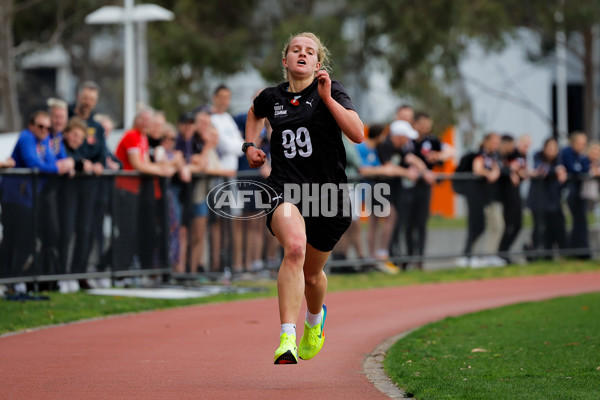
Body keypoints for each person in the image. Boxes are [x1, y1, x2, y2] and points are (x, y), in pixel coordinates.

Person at [244, 32, 364, 364]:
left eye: (309, 51)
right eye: (296, 50)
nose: (302, 54)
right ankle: (287, 336)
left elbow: (357, 133)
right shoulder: (271, 97)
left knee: (312, 275)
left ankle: (314, 321)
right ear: (285, 60)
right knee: (294, 248)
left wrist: (327, 98)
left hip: (328, 195)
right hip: (287, 190)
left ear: (317, 62)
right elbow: (253, 113)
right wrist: (250, 146)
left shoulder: (331, 89)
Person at [0, 111, 73, 278]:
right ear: (31, 125)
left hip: (29, 198)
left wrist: (59, 164)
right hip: (15, 197)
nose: (44, 130)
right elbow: (33, 163)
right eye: (40, 126)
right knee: (17, 241)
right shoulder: (26, 137)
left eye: (48, 128)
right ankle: (9, 278)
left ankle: (10, 278)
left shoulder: (44, 140)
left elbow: (49, 161)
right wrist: (56, 168)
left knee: (22, 241)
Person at [114, 109, 176, 270]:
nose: (148, 124)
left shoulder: (141, 137)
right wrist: (162, 171)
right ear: (138, 120)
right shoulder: (132, 135)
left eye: (150, 120)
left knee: (133, 232)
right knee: (127, 232)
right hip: (124, 188)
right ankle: (115, 270)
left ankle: (123, 270)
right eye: (145, 120)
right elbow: (138, 164)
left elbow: (147, 163)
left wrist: (162, 168)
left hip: (134, 190)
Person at [377, 119, 424, 266]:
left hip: (392, 189)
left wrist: (419, 166)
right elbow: (389, 168)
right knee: (382, 219)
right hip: (378, 188)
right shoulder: (386, 145)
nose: (408, 140)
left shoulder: (401, 148)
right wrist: (406, 172)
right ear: (399, 136)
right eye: (406, 136)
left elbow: (411, 160)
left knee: (393, 218)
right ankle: (379, 255)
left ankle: (385, 254)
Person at [458, 132, 501, 267]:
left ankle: (484, 255)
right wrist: (488, 173)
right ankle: (468, 255)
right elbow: (478, 169)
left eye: (497, 142)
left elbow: (496, 169)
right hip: (475, 195)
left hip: (488, 196)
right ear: (486, 141)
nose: (496, 145)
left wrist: (494, 172)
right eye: (493, 142)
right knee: (476, 225)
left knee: (492, 225)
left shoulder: (493, 157)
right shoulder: (478, 155)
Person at [527, 137, 567, 258]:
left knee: (555, 227)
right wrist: (556, 170)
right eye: (549, 147)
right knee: (539, 228)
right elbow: (541, 170)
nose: (551, 150)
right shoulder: (537, 156)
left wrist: (562, 171)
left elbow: (565, 175)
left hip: (554, 201)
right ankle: (536, 254)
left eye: (554, 148)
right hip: (538, 201)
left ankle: (553, 254)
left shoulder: (560, 159)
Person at [497, 134, 528, 263]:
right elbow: (499, 168)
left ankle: (504, 251)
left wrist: (519, 174)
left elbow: (522, 172)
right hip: (502, 196)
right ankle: (500, 253)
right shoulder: (498, 155)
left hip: (515, 194)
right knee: (505, 224)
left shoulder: (517, 156)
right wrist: (510, 171)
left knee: (518, 224)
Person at [561, 132, 591, 259]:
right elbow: (574, 170)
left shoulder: (581, 155)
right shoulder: (567, 152)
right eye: (581, 142)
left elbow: (585, 168)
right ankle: (576, 251)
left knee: (582, 221)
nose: (583, 145)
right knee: (578, 221)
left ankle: (582, 251)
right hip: (572, 193)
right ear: (574, 142)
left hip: (580, 193)